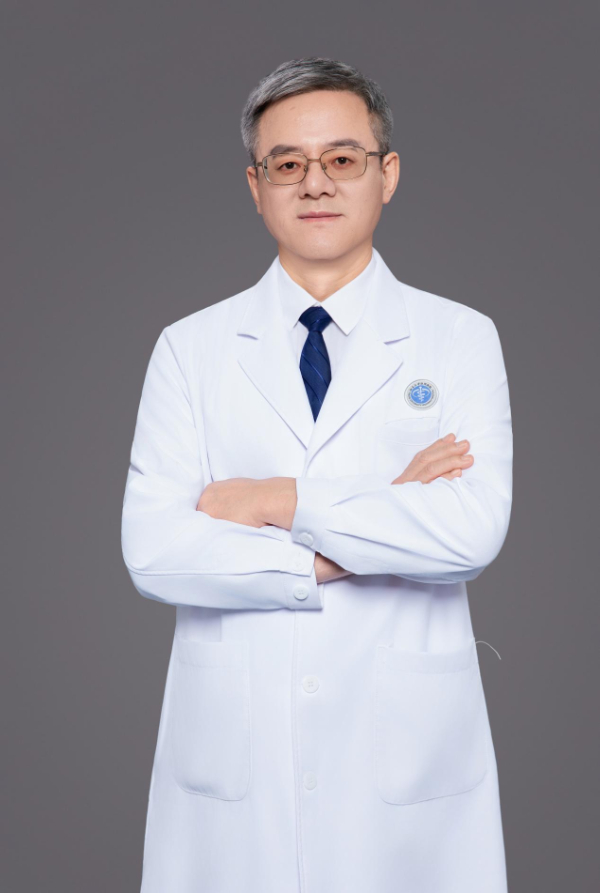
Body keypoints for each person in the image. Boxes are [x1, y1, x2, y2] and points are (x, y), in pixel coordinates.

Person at [121, 56, 512, 893]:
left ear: (387, 174)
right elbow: (155, 550)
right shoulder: (190, 349)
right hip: (237, 761)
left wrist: (276, 499)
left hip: (406, 766)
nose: (316, 183)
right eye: (287, 164)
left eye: (342, 158)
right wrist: (366, 531)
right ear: (256, 186)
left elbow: (469, 532)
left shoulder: (460, 338)